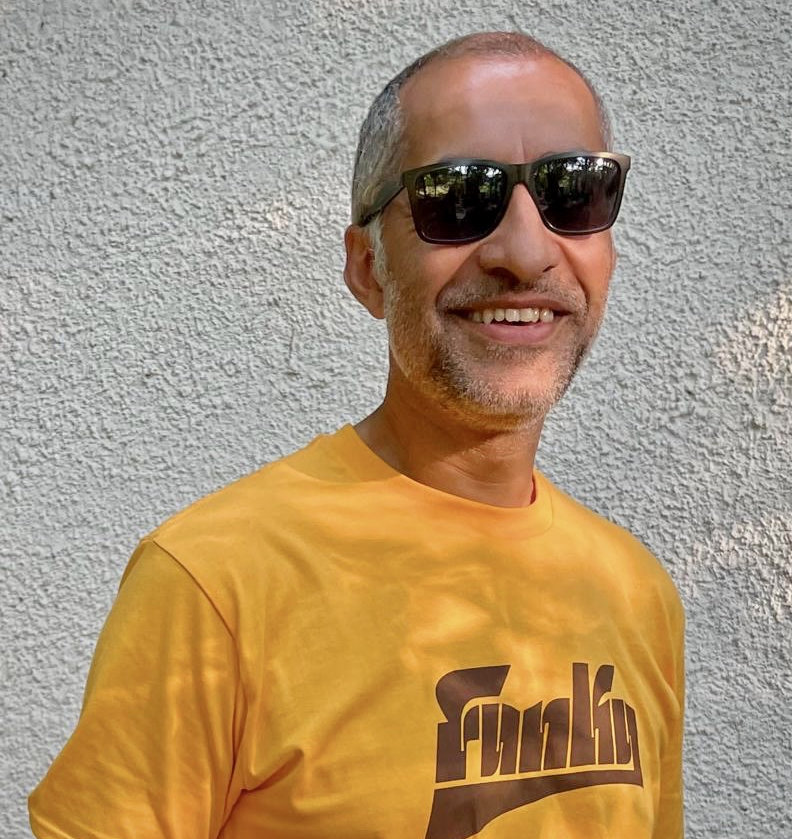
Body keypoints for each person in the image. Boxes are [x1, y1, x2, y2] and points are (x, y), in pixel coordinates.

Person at [29, 31, 684, 839]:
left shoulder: (635, 592)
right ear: (368, 269)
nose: (524, 252)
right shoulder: (215, 582)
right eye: (457, 196)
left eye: (572, 191)